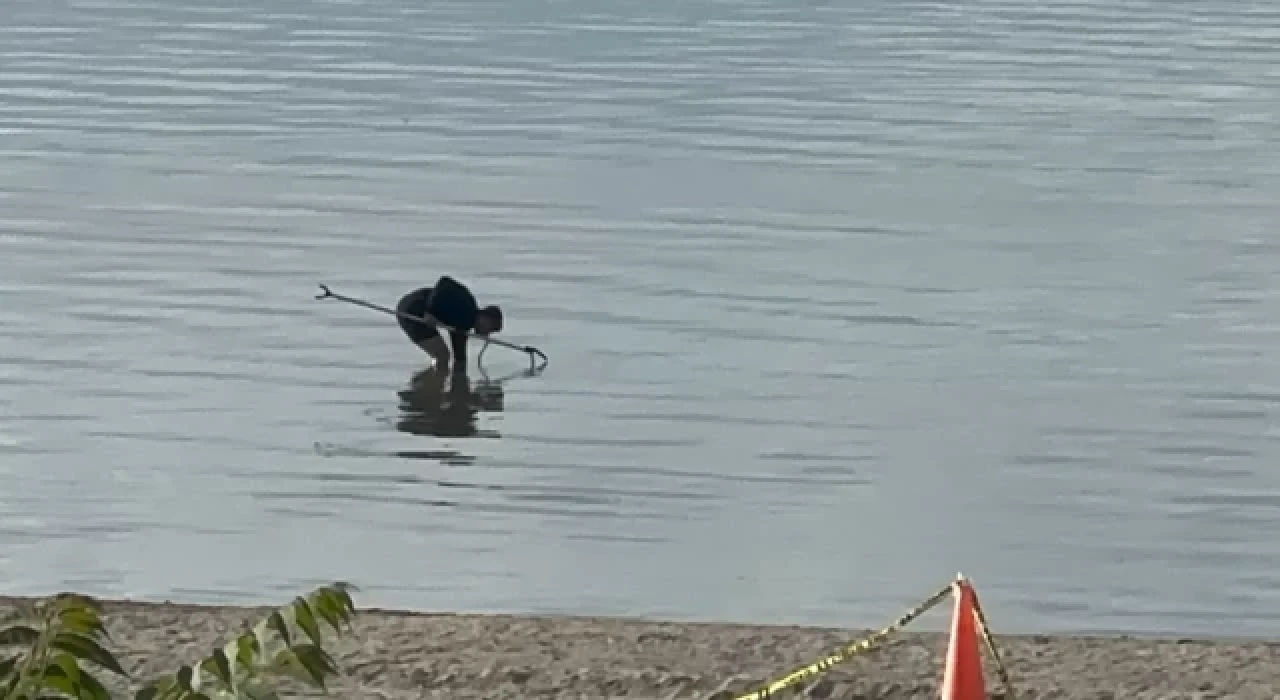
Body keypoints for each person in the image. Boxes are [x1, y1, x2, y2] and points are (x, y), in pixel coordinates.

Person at [395, 276, 503, 373]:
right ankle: (427, 386)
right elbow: (444, 282)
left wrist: (462, 376)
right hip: (412, 311)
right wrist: (430, 311)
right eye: (491, 329)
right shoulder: (467, 303)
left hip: (415, 312)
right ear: (485, 318)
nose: (487, 333)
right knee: (442, 356)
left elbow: (459, 353)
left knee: (444, 356)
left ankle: (430, 384)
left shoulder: (465, 323)